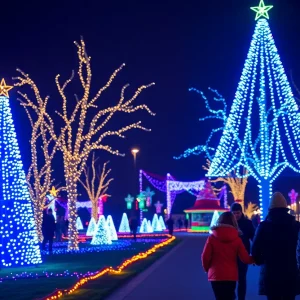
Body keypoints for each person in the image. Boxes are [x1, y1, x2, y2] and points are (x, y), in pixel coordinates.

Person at [252, 192, 300, 300]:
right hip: (290, 270)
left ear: (270, 208)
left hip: (271, 271)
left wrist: (259, 260)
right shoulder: (295, 225)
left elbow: (255, 248)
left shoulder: (264, 226)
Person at [202, 212, 254, 300]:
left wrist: (207, 269)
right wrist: (256, 258)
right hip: (230, 275)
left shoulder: (212, 238)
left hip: (215, 275)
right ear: (234, 222)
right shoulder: (237, 239)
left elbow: (205, 256)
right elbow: (245, 259)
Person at [231, 202, 255, 300]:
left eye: (238, 213)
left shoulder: (247, 223)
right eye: (234, 213)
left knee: (242, 279)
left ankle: (241, 298)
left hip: (243, 254)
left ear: (241, 212)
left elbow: (253, 238)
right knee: (231, 279)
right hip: (230, 255)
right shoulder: (228, 223)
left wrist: (255, 254)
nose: (236, 215)